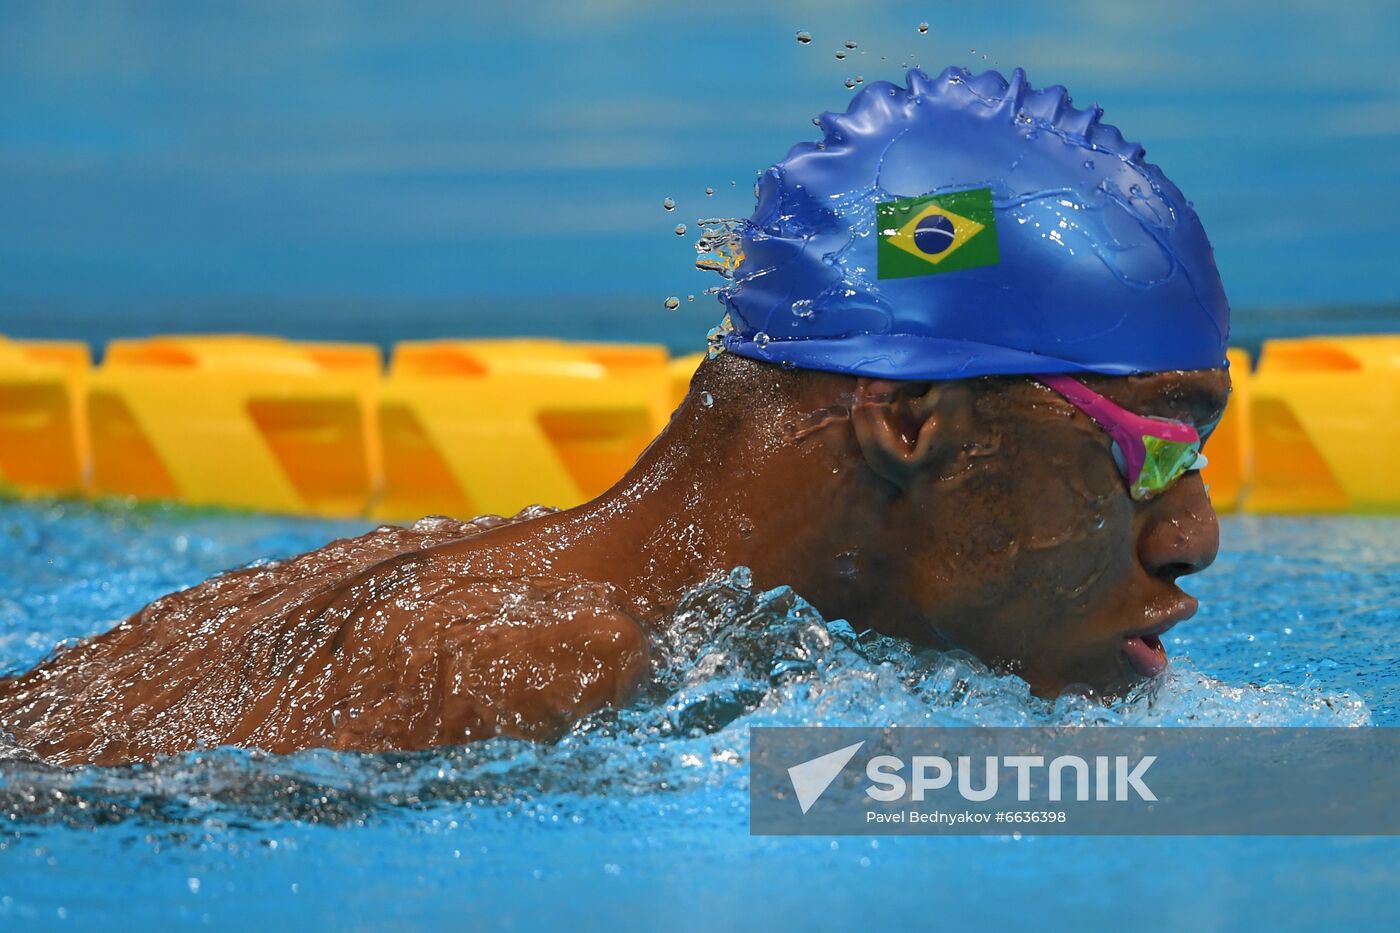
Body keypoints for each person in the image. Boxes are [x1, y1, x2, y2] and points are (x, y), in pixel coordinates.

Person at [0, 66, 1230, 766]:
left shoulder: (586, 627)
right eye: (1156, 449)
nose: (1190, 535)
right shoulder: (527, 666)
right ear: (906, 421)